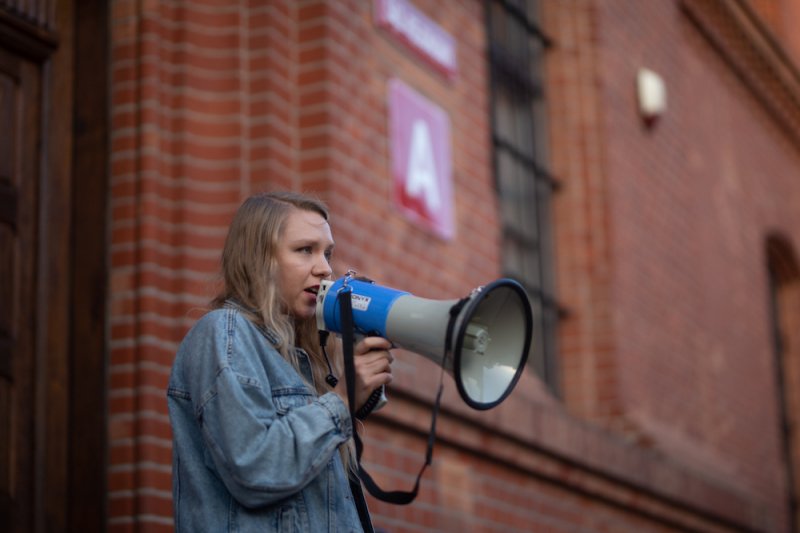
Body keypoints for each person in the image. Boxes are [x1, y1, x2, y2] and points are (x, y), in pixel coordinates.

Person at [167, 191, 394, 532]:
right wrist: (342, 401)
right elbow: (254, 468)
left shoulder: (306, 359)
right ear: (260, 259)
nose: (326, 268)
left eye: (327, 253)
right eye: (305, 250)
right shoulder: (226, 332)